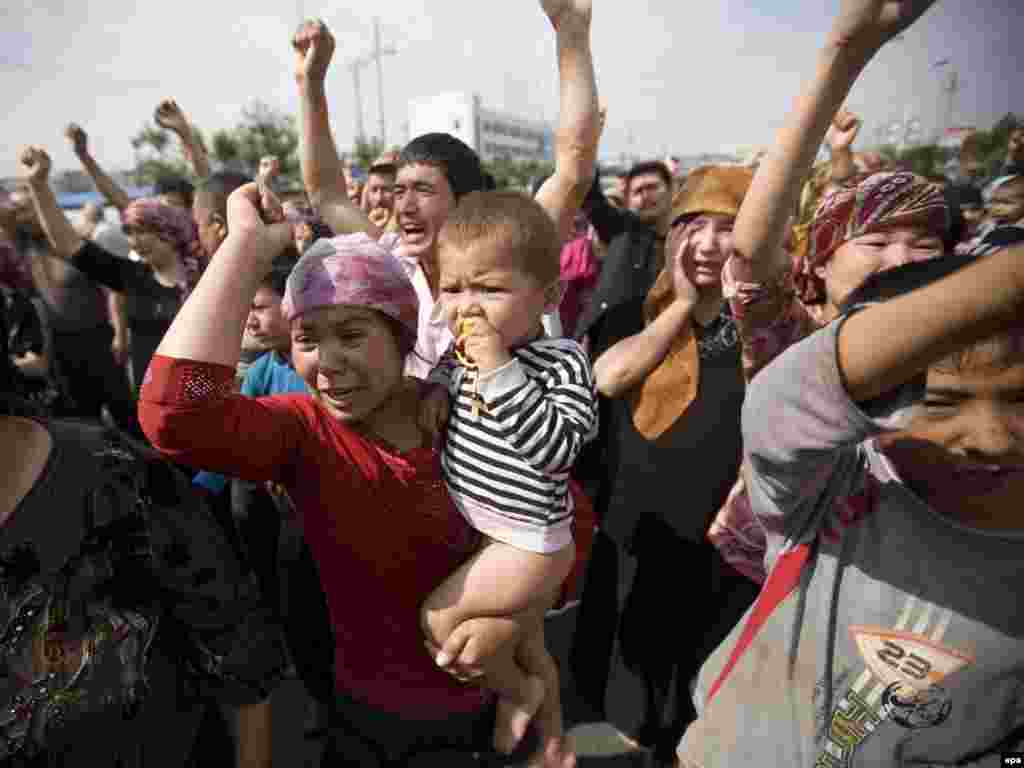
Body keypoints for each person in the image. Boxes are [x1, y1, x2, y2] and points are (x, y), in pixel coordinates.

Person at [139, 183, 554, 767]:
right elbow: (174, 412)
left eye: (353, 335)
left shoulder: (472, 412)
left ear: (401, 336)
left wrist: (510, 618)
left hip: (496, 714)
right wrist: (245, 251)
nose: (327, 363)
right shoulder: (303, 432)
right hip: (365, 721)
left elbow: (569, 531)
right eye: (308, 339)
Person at [678, 243, 1024, 764]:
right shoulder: (830, 486)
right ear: (867, 407)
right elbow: (787, 392)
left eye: (1021, 399)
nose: (992, 438)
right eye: (941, 403)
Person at [293, 0, 599, 375]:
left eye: (423, 190)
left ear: (466, 202)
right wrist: (310, 83)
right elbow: (327, 193)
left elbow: (572, 171)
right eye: (399, 190)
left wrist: (571, 35)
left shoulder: (513, 252)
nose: (403, 206)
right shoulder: (392, 264)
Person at [569, 166, 757, 765]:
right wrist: (678, 308)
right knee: (632, 697)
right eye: (691, 227)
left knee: (713, 700)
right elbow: (609, 377)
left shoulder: (766, 330)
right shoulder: (628, 317)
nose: (705, 245)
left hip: (728, 548)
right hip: (637, 539)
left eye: (727, 228)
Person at [418, 190, 597, 768]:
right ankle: (551, 744)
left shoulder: (563, 361)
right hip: (491, 531)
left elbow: (555, 450)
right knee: (530, 642)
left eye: (490, 289)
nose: (467, 307)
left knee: (439, 622)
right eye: (453, 288)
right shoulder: (461, 353)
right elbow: (447, 375)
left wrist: (499, 368)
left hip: (529, 540)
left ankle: (513, 692)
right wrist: (437, 389)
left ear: (547, 296)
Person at [20, 146, 205, 390]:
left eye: (141, 231)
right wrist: (39, 185)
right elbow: (68, 243)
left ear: (167, 232)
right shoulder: (131, 276)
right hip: (150, 409)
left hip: (198, 404)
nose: (133, 241)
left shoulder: (206, 275)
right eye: (129, 233)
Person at [7, 177, 138, 430]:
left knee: (125, 417)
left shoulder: (75, 245)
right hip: (60, 346)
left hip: (99, 340)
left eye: (27, 209)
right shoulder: (22, 246)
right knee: (83, 423)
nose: (21, 217)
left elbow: (115, 289)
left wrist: (120, 335)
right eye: (18, 211)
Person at [574, 160, 674, 354]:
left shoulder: (688, 239)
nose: (646, 195)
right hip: (608, 346)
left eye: (652, 187)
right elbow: (590, 195)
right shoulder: (620, 227)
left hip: (667, 347)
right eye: (638, 191)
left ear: (671, 190)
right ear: (628, 201)